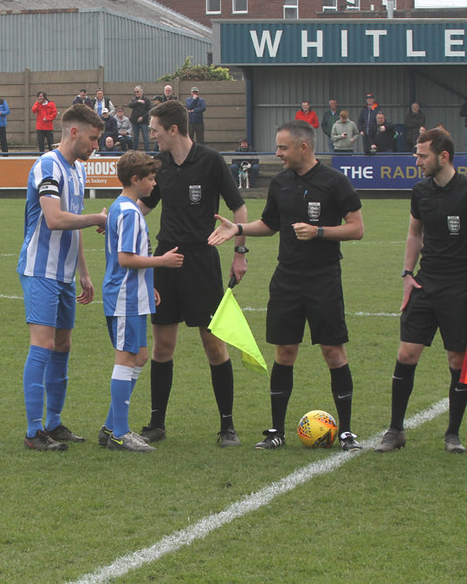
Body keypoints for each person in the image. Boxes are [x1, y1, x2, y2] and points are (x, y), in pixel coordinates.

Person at [207, 120, 365, 451]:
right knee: (285, 352)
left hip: (324, 278)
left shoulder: (335, 182)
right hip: (287, 279)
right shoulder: (280, 183)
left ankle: (347, 431)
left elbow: (356, 229)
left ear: (303, 147)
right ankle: (276, 431)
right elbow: (269, 224)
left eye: (282, 148)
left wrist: (320, 231)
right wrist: (238, 228)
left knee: (333, 352)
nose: (277, 153)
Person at [137, 100, 247, 447]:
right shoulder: (160, 166)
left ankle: (227, 426)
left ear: (173, 130)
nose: (151, 135)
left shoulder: (211, 161)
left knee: (213, 344)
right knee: (163, 344)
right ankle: (157, 424)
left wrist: (240, 251)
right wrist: (116, 219)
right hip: (165, 258)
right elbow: (143, 205)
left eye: (155, 129)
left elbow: (238, 207)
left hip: (202, 260)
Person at [18, 104, 108, 451]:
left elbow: (74, 223)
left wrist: (84, 272)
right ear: (73, 132)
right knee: (42, 345)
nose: (94, 145)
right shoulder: (47, 166)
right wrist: (96, 219)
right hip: (40, 270)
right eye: (92, 138)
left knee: (63, 346)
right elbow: (55, 219)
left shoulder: (78, 171)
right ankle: (33, 431)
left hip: (65, 274)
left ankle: (54, 423)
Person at [375, 128, 467, 454]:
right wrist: (406, 273)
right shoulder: (420, 191)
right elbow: (415, 233)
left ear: (443, 156)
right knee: (406, 354)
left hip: (460, 288)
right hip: (426, 283)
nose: (417, 160)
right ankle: (395, 430)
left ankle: (453, 435)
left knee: (458, 359)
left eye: (422, 155)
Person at [99, 151, 183, 453]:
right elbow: (125, 258)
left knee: (141, 355)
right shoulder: (130, 212)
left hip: (133, 294)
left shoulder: (122, 208)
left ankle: (111, 426)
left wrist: (148, 286)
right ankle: (120, 433)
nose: (154, 183)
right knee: (126, 358)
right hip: (124, 297)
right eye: (150, 178)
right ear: (136, 180)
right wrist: (163, 260)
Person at [127, 86, 153, 152]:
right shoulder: (134, 99)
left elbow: (149, 110)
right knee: (135, 138)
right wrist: (138, 101)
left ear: (141, 91)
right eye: (135, 92)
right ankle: (135, 152)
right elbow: (129, 105)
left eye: (137, 92)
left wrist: (142, 117)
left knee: (145, 137)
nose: (136, 93)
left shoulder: (147, 100)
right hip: (135, 121)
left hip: (144, 121)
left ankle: (147, 152)